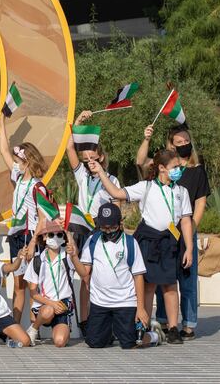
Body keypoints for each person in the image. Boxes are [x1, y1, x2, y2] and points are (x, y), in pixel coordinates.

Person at [89, 153, 194, 345]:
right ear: (162, 168)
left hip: (170, 241)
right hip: (149, 240)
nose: (179, 170)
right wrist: (101, 172)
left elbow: (186, 221)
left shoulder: (182, 191)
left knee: (171, 286)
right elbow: (117, 193)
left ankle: (172, 328)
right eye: (175, 166)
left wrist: (189, 248)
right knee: (147, 285)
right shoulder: (146, 187)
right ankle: (142, 324)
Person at [137, 124, 210, 339]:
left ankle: (188, 323)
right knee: (163, 279)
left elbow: (200, 202)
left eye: (187, 141)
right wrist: (146, 139)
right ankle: (164, 322)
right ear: (171, 145)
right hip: (163, 235)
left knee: (186, 279)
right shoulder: (166, 166)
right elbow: (140, 162)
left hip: (184, 231)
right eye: (179, 142)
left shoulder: (197, 170)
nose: (184, 145)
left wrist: (190, 229)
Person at [65, 110, 121, 334]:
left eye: (92, 159)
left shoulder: (112, 180)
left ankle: (104, 318)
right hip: (81, 228)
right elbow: (70, 148)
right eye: (85, 159)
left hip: (101, 230)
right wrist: (77, 123)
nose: (89, 163)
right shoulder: (82, 176)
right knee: (85, 276)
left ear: (101, 158)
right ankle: (85, 321)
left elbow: (117, 208)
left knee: (102, 276)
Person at [77, 204, 160, 349]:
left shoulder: (130, 242)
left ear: (120, 223)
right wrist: (73, 256)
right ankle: (110, 331)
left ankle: (155, 335)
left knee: (131, 343)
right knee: (94, 343)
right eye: (104, 227)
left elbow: (138, 276)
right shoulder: (92, 241)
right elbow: (84, 274)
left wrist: (140, 308)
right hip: (100, 302)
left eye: (112, 227)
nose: (108, 231)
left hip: (125, 301)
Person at [0, 114, 49, 325]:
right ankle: (15, 327)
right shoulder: (18, 178)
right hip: (16, 236)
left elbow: (43, 218)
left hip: (30, 237)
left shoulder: (39, 186)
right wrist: (1, 123)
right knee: (18, 285)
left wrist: (34, 243)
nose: (15, 165)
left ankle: (33, 330)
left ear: (27, 163)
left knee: (32, 286)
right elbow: (3, 150)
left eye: (18, 162)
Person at [24, 221, 85, 347]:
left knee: (60, 341)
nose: (56, 238)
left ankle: (62, 327)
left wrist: (74, 255)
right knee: (48, 311)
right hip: (44, 306)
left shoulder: (67, 256)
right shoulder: (37, 260)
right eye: (51, 235)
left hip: (63, 305)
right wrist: (51, 303)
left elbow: (84, 274)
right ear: (44, 237)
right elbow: (33, 293)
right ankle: (34, 329)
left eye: (59, 235)